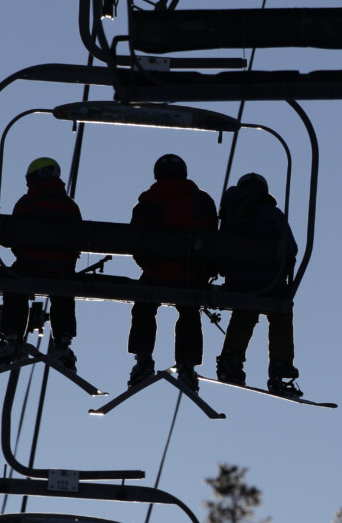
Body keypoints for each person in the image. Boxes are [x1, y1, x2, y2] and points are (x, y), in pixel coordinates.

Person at [126, 154, 217, 393]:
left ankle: (143, 359)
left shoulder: (147, 202)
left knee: (144, 306)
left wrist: (149, 266)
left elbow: (135, 242)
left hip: (157, 273)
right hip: (189, 275)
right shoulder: (201, 201)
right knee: (189, 310)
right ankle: (186, 365)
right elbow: (212, 241)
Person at [216, 173, 302, 397]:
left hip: (237, 283)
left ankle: (231, 358)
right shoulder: (272, 214)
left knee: (244, 310)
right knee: (281, 311)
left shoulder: (229, 213)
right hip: (269, 283)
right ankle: (280, 365)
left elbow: (217, 248)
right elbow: (291, 249)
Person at [0, 157, 82, 370]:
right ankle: (62, 340)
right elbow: (77, 241)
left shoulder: (26, 204)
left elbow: (11, 240)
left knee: (14, 282)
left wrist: (29, 256)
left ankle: (12, 335)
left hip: (29, 266)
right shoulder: (69, 206)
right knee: (63, 287)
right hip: (60, 269)